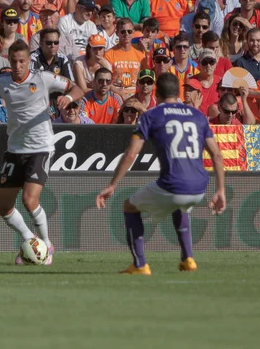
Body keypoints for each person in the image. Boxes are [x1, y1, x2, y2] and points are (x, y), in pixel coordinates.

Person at [95, 72, 226, 275]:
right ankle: (188, 259)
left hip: (173, 184)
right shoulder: (198, 116)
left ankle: (139, 265)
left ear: (157, 91)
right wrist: (220, 190)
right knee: (179, 206)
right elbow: (217, 155)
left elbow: (131, 154)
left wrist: (112, 185)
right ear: (179, 92)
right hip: (200, 186)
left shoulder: (151, 115)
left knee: (130, 206)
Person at [0, 39, 85, 266]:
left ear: (28, 61)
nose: (17, 66)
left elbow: (78, 88)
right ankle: (30, 240)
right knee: (3, 207)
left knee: (28, 199)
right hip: (15, 150)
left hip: (40, 148)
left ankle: (46, 244)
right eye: (14, 61)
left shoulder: (43, 78)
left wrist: (68, 97)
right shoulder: (1, 82)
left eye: (22, 61)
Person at [104, 18, 146, 99]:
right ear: (117, 33)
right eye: (123, 31)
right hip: (116, 96)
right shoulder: (108, 55)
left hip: (136, 96)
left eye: (129, 31)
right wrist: (120, 93)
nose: (126, 34)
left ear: (133, 32)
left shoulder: (140, 56)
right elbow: (106, 81)